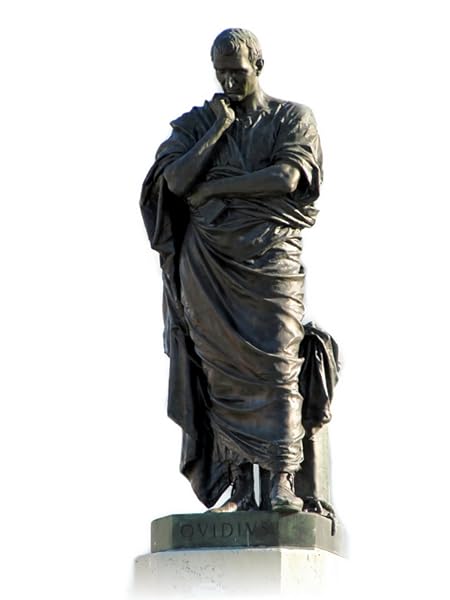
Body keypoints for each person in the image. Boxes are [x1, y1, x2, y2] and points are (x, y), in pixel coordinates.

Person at [140, 28, 324, 513]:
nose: (228, 81)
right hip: (208, 266)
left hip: (270, 262)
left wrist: (220, 190)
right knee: (221, 373)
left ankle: (282, 480)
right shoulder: (197, 124)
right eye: (220, 72)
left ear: (258, 66)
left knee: (278, 364)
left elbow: (287, 177)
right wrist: (217, 131)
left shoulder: (292, 117)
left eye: (237, 72)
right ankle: (241, 485)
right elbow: (175, 181)